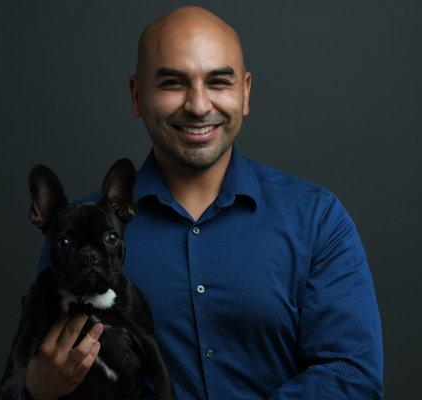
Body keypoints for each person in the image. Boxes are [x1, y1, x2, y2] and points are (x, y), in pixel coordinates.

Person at [24, 5, 383, 400]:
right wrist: (34, 390)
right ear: (137, 95)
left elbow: (352, 375)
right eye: (174, 83)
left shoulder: (317, 219)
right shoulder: (74, 234)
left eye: (218, 82)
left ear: (244, 93)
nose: (198, 105)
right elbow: (38, 365)